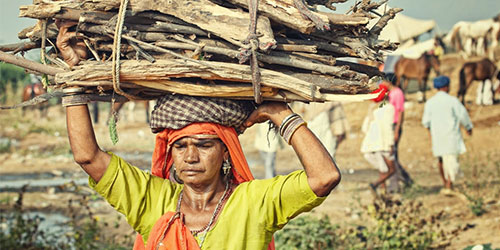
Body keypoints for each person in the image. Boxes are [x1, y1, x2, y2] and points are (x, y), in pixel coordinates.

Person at [57, 19, 341, 250]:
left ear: (226, 151)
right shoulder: (152, 200)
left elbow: (324, 177)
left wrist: (280, 114)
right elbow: (88, 157)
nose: (190, 157)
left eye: (204, 145)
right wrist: (73, 76)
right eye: (180, 146)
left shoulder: (253, 203)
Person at [422, 76, 473, 192]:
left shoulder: (430, 102)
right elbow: (463, 115)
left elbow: (426, 122)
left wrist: (430, 135)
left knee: (441, 159)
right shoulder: (452, 101)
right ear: (446, 87)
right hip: (451, 135)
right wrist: (468, 127)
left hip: (437, 135)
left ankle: (446, 183)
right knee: (451, 159)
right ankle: (449, 184)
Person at [381, 73, 413, 192]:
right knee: (391, 156)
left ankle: (404, 180)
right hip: (390, 125)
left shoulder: (397, 93)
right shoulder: (389, 93)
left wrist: (397, 130)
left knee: (392, 156)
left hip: (395, 125)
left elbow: (400, 112)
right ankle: (400, 181)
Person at [360, 85, 396, 194]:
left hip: (370, 145)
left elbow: (364, 128)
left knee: (382, 168)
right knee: (391, 170)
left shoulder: (373, 109)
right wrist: (391, 143)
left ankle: (382, 189)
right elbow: (388, 128)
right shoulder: (389, 109)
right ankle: (376, 184)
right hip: (384, 144)